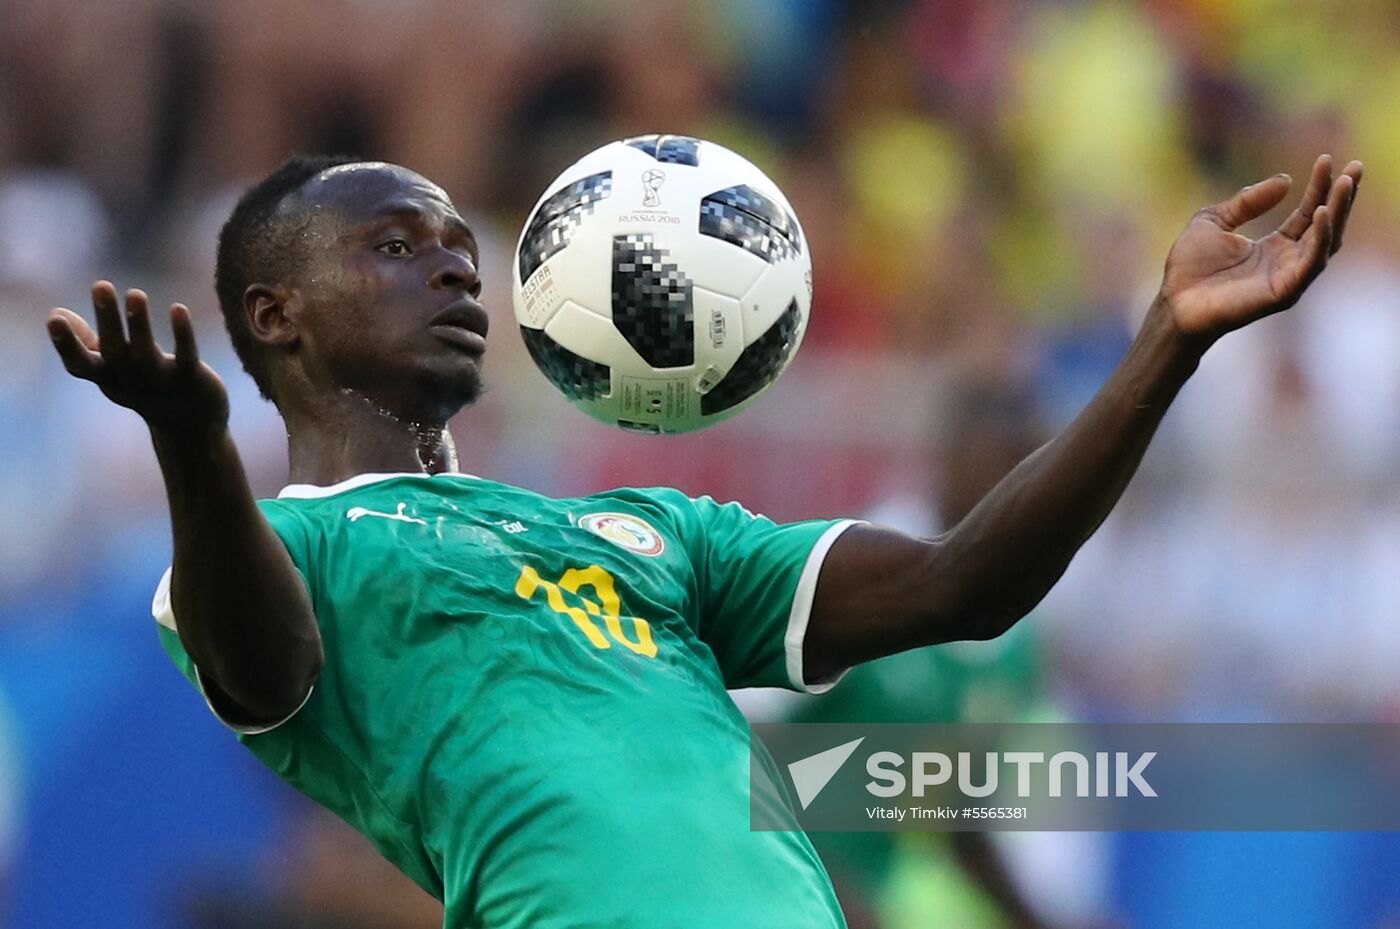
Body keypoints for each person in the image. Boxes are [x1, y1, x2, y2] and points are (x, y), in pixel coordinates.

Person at [45, 152, 1359, 929]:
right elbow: (259, 662)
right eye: (395, 247)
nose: (455, 271)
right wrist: (192, 448)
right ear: (274, 317)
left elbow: (963, 581)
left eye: (460, 248)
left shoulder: (648, 533)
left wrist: (1165, 343)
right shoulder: (283, 549)